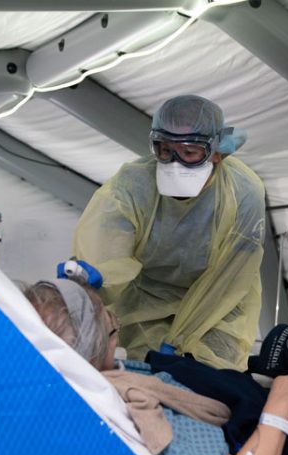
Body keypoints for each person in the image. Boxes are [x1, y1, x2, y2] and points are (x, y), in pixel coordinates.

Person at [24, 276, 288, 455]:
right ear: (95, 342)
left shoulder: (59, 410)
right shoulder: (137, 407)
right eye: (104, 314)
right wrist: (280, 404)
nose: (113, 318)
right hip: (284, 431)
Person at [73, 95, 266, 371]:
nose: (174, 163)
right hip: (147, 299)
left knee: (209, 377)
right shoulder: (133, 183)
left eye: (189, 153)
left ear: (217, 152)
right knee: (144, 373)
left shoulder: (244, 192)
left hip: (218, 303)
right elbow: (107, 244)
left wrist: (182, 340)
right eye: (165, 150)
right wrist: (96, 276)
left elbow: (230, 277)